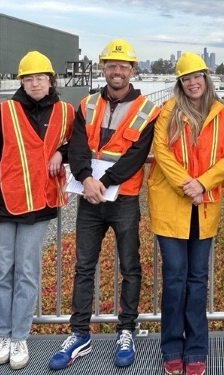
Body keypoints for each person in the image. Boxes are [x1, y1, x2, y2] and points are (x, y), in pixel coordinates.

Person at [48, 39, 160, 370]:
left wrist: (105, 182)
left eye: (123, 66)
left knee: (130, 267)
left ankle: (127, 329)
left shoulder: (147, 110)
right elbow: (79, 147)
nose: (117, 71)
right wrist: (86, 180)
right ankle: (79, 334)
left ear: (132, 71)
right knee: (84, 267)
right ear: (104, 68)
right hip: (89, 197)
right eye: (111, 65)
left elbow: (136, 156)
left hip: (122, 198)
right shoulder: (87, 104)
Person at [0, 51, 74, 370]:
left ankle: (19, 337)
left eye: (40, 78)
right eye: (28, 78)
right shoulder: (4, 112)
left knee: (27, 272)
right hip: (3, 205)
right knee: (4, 271)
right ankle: (4, 334)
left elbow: (80, 143)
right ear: (22, 82)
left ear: (50, 80)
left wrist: (62, 150)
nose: (34, 83)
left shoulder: (66, 112)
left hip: (40, 203)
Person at [148, 52, 224, 375]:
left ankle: (196, 348)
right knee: (174, 280)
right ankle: (172, 346)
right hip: (173, 206)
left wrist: (203, 183)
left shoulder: (221, 114)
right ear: (180, 83)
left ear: (206, 77)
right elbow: (161, 152)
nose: (193, 82)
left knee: (197, 281)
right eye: (186, 78)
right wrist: (188, 185)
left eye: (197, 76)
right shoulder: (168, 112)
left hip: (204, 206)